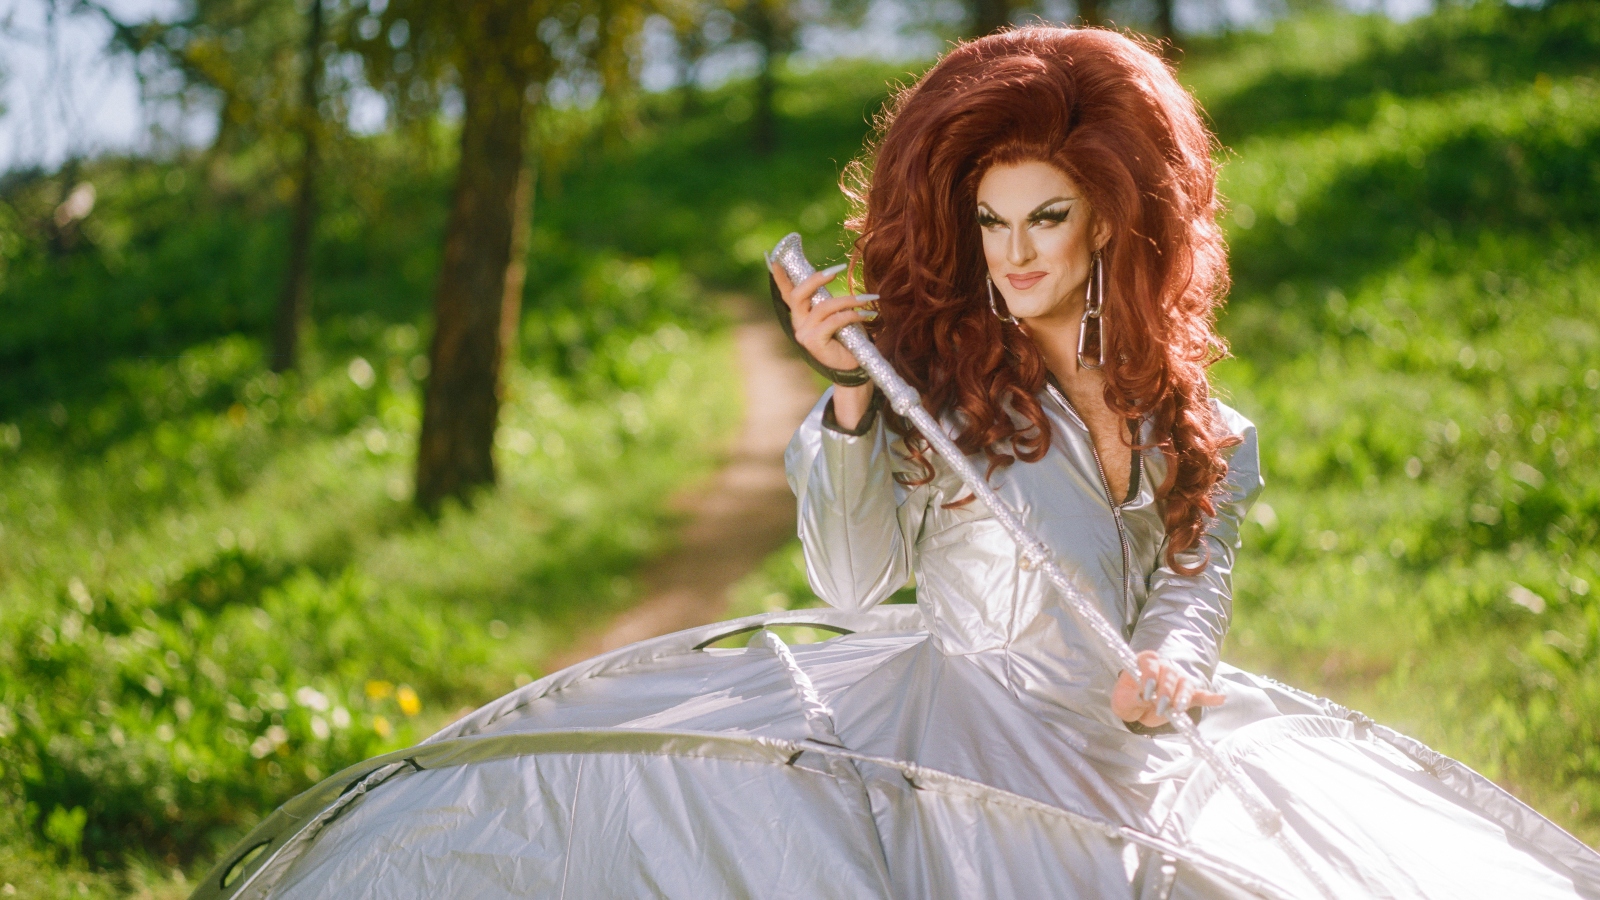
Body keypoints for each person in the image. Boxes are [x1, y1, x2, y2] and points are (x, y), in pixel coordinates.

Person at [198, 26, 1600, 900]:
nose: (1019, 255)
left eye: (1049, 216)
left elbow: (1190, 584)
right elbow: (861, 590)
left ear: (1116, 219)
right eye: (991, 225)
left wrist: (1173, 667)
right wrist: (851, 411)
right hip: (953, 747)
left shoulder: (1205, 434)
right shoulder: (943, 398)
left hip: (1130, 758)